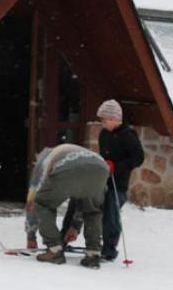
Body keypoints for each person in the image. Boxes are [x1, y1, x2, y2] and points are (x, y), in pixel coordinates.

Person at [60, 100, 145, 261]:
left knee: (110, 215)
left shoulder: (128, 135)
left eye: (104, 120)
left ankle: (109, 249)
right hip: (101, 179)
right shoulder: (104, 134)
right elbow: (104, 156)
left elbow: (138, 158)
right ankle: (63, 238)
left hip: (117, 184)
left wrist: (117, 166)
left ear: (114, 118)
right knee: (78, 201)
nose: (102, 123)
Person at [25, 143, 109, 268]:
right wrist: (75, 227)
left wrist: (31, 235)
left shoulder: (42, 163)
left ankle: (54, 251)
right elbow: (83, 198)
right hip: (100, 168)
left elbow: (32, 200)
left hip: (69, 169)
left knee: (42, 204)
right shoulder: (67, 150)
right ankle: (93, 254)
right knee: (93, 211)